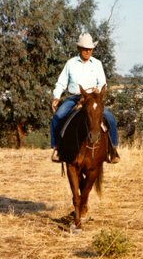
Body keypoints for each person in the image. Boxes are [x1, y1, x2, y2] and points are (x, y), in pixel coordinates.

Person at [51, 33, 120, 163]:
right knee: (57, 117)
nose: (88, 51)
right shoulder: (70, 63)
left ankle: (113, 150)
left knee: (111, 119)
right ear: (79, 49)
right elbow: (61, 82)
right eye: (85, 48)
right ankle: (58, 148)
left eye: (90, 49)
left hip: (92, 100)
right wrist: (56, 97)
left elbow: (102, 83)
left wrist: (98, 90)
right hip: (73, 98)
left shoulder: (97, 64)